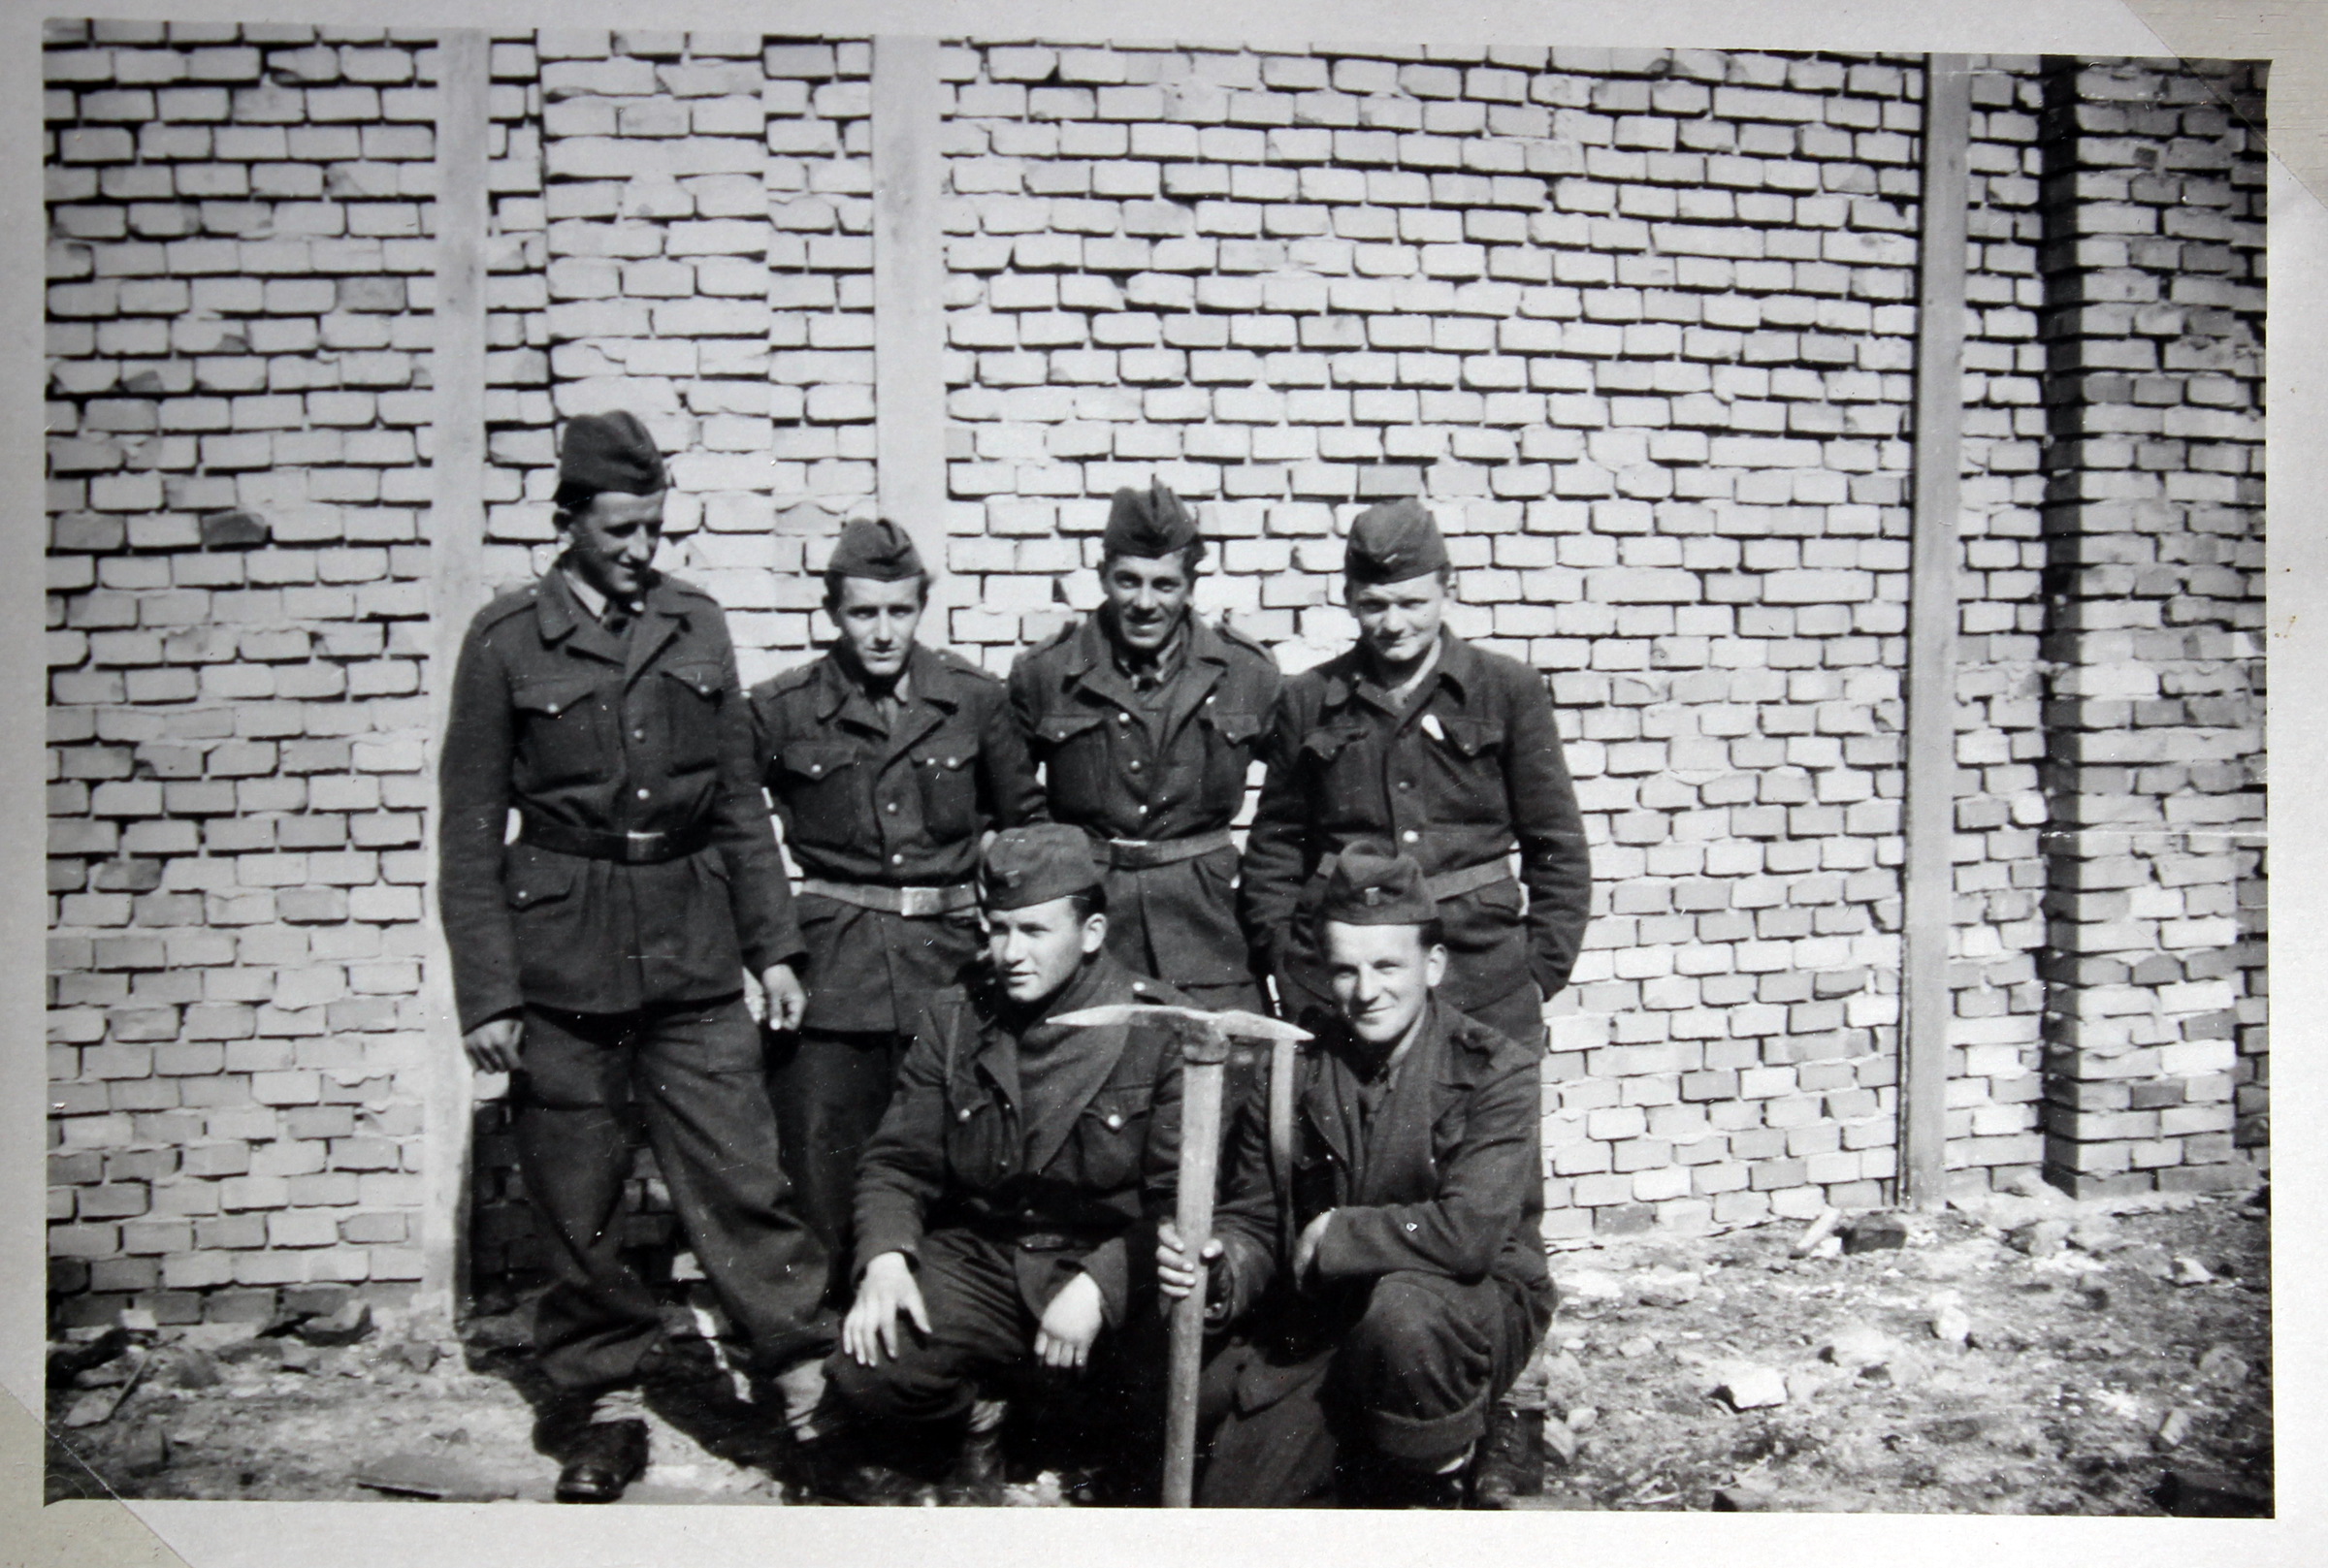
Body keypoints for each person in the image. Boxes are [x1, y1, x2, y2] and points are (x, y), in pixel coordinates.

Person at [436, 411, 828, 1503]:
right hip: (561, 954)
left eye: (653, 528)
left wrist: (774, 946)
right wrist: (488, 993)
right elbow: (468, 832)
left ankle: (805, 1383)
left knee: (744, 1173)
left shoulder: (695, 622)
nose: (640, 549)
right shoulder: (506, 638)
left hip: (694, 943)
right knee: (580, 1194)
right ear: (567, 521)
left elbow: (740, 804)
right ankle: (602, 1404)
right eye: (619, 530)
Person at [1159, 843, 1555, 1507]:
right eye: (1345, 970)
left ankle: (1435, 1477)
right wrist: (1221, 1265)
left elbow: (1470, 1235)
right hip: (1329, 1317)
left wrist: (1338, 1234)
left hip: (1461, 1312)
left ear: (1433, 964)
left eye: (1387, 966)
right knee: (1236, 1509)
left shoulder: (1494, 1069)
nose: (1366, 992)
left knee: (1402, 1320)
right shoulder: (1292, 1069)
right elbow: (1255, 1217)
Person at [821, 823, 1187, 1494]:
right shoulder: (956, 1017)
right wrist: (885, 1259)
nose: (1011, 953)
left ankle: (1054, 1423)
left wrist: (1102, 1284)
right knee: (868, 1367)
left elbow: (1181, 1204)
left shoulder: (1160, 1029)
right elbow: (898, 1161)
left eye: (1035, 931)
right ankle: (980, 1417)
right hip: (986, 1261)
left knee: (1173, 1389)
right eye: (998, 930)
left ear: (1093, 932)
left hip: (1105, 1262)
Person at [750, 517, 1043, 1307]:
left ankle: (938, 1331)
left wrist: (1012, 943)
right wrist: (772, 950)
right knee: (821, 1159)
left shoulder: (975, 700)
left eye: (899, 611)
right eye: (863, 612)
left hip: (950, 967)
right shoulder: (782, 709)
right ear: (831, 611)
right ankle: (824, 1336)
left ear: (921, 607)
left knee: (951, 1156)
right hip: (832, 971)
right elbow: (735, 831)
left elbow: (1026, 829)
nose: (883, 632)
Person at [1240, 496, 1592, 1052]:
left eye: (1412, 602)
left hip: (1483, 976)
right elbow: (1274, 849)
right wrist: (1287, 961)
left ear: (1448, 588)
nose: (1393, 624)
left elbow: (1557, 844)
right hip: (1346, 983)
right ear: (1348, 599)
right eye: (1374, 605)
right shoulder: (1309, 698)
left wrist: (1538, 971)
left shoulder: (1507, 690)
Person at [1009, 481, 1281, 1012]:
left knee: (1229, 1056)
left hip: (1210, 928)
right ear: (1102, 575)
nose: (1144, 602)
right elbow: (1011, 808)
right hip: (1091, 927)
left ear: (1190, 586)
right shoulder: (1046, 673)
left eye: (1165, 584)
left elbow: (1292, 809)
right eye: (1128, 581)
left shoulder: (1247, 673)